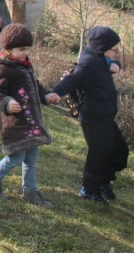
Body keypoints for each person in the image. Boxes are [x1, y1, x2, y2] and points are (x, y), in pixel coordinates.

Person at [0, 23, 60, 208]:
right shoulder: (2, 68)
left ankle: (30, 191)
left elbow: (35, 86)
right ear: (7, 49)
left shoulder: (25, 66)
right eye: (21, 49)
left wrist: (46, 95)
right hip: (16, 123)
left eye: (27, 49)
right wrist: (7, 103)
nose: (26, 53)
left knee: (31, 159)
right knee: (16, 157)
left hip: (31, 123)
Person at [52, 26, 129, 204]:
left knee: (120, 152)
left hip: (106, 118)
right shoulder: (87, 64)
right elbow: (72, 80)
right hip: (93, 119)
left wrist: (115, 63)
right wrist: (56, 93)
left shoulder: (102, 60)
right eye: (114, 50)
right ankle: (89, 189)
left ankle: (103, 181)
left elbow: (115, 63)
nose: (116, 53)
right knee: (98, 155)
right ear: (102, 48)